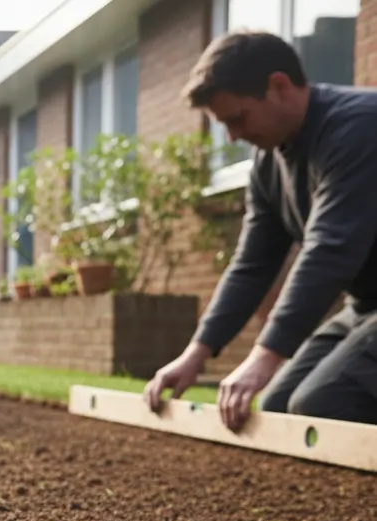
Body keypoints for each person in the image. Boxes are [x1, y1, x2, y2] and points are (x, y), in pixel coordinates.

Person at [144, 30, 377, 430]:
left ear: (279, 86)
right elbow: (251, 264)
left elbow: (329, 250)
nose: (234, 136)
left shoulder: (359, 127)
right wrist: (196, 354)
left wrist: (264, 357)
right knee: (279, 407)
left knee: (324, 403)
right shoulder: (268, 165)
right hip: (365, 307)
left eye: (237, 118)